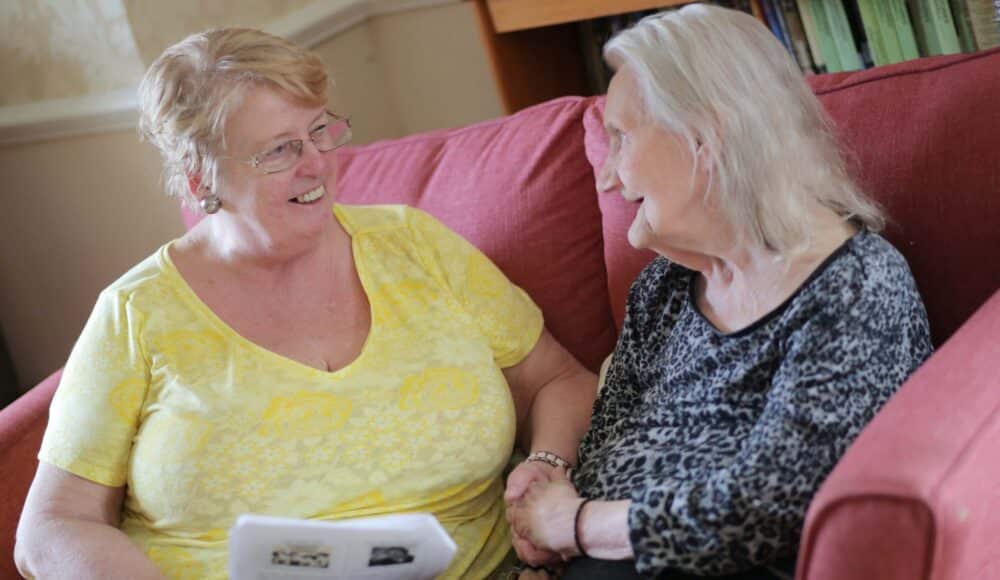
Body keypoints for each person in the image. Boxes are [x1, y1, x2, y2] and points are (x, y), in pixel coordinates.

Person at [14, 28, 597, 580]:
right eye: (280, 151)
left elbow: (559, 380)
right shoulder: (136, 313)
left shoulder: (416, 246)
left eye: (321, 131)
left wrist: (546, 465)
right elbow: (51, 528)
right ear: (199, 180)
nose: (317, 162)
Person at [505, 5, 932, 579]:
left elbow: (770, 506)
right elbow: (607, 450)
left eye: (621, 139)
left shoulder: (855, 289)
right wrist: (549, 513)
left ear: (706, 137)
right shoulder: (663, 288)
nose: (607, 176)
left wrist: (575, 525)